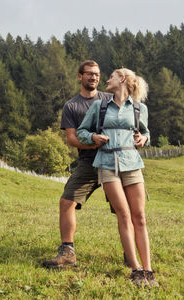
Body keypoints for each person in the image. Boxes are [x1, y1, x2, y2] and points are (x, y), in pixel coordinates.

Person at [77, 67, 159, 287]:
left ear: (122, 78)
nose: (106, 79)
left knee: (139, 217)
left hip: (132, 164)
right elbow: (81, 132)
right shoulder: (99, 106)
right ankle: (136, 269)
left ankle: (148, 270)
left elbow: (146, 133)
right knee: (123, 215)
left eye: (111, 75)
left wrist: (144, 139)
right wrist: (92, 136)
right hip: (106, 164)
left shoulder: (140, 108)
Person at [42, 60, 112, 269]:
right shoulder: (71, 106)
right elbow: (71, 139)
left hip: (112, 161)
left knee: (123, 208)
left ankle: (130, 254)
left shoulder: (110, 99)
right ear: (80, 76)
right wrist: (92, 143)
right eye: (89, 74)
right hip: (88, 162)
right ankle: (68, 252)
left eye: (97, 74)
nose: (94, 77)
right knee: (66, 202)